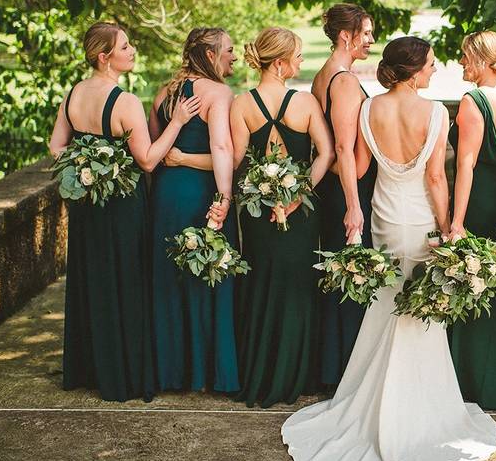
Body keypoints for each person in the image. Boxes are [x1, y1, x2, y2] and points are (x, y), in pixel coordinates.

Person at [281, 37, 496, 461]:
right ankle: (414, 410)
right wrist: (449, 227)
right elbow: (437, 176)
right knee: (418, 310)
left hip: (383, 217)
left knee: (388, 304)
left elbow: (356, 165)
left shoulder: (369, 109)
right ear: (413, 69)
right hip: (419, 219)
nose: (435, 69)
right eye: (430, 64)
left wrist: (354, 210)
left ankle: (378, 403)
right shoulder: (436, 113)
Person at [48, 22, 201, 402]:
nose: (132, 51)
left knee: (93, 281)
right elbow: (148, 161)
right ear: (105, 57)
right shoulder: (125, 102)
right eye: (125, 46)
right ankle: (124, 374)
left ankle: (89, 369)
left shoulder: (74, 94)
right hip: (122, 208)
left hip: (87, 208)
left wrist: (87, 169)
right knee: (126, 282)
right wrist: (178, 123)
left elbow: (55, 148)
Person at [232, 28, 334, 407]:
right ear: (279, 63)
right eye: (297, 57)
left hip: (258, 211)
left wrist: (261, 191)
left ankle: (258, 371)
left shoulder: (241, 104)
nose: (300, 63)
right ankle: (299, 373)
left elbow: (239, 160)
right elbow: (325, 153)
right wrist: (299, 193)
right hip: (301, 212)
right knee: (298, 286)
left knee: (261, 284)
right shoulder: (305, 103)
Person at [148, 27, 239, 393]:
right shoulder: (218, 93)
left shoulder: (163, 94)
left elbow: (157, 149)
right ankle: (207, 372)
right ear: (210, 55)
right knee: (207, 275)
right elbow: (222, 148)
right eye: (229, 50)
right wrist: (223, 198)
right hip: (202, 193)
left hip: (167, 194)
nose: (233, 56)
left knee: (169, 277)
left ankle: (171, 371)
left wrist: (180, 158)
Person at [447, 30, 496, 411]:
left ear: (480, 60)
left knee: (470, 284)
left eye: (465, 56)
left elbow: (466, 164)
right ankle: (495, 379)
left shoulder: (471, 101)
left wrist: (457, 221)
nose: (461, 63)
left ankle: (467, 378)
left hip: (477, 202)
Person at [310, 3, 377, 389]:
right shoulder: (345, 81)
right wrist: (354, 205)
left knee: (340, 277)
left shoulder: (323, 75)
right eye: (365, 33)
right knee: (351, 275)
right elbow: (343, 149)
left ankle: (336, 368)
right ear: (345, 36)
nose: (370, 40)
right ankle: (347, 374)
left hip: (337, 188)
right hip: (348, 190)